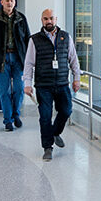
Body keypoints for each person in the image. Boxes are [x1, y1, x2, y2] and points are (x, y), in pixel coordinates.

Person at [24, 8, 81, 161]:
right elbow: (29, 63)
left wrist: (77, 78)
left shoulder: (65, 37)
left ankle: (55, 132)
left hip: (62, 83)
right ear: (41, 20)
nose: (48, 21)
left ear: (56, 19)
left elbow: (73, 60)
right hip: (43, 85)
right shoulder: (34, 39)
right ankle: (47, 147)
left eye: (51, 18)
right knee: (45, 116)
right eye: (45, 19)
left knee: (66, 111)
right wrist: (27, 83)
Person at [0, 0, 30, 131]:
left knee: (19, 89)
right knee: (4, 91)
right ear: (2, 2)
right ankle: (8, 120)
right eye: (7, 1)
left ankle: (16, 115)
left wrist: (29, 61)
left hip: (18, 59)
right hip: (1, 59)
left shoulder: (21, 18)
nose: (9, 3)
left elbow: (28, 40)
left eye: (11, 0)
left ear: (14, 2)